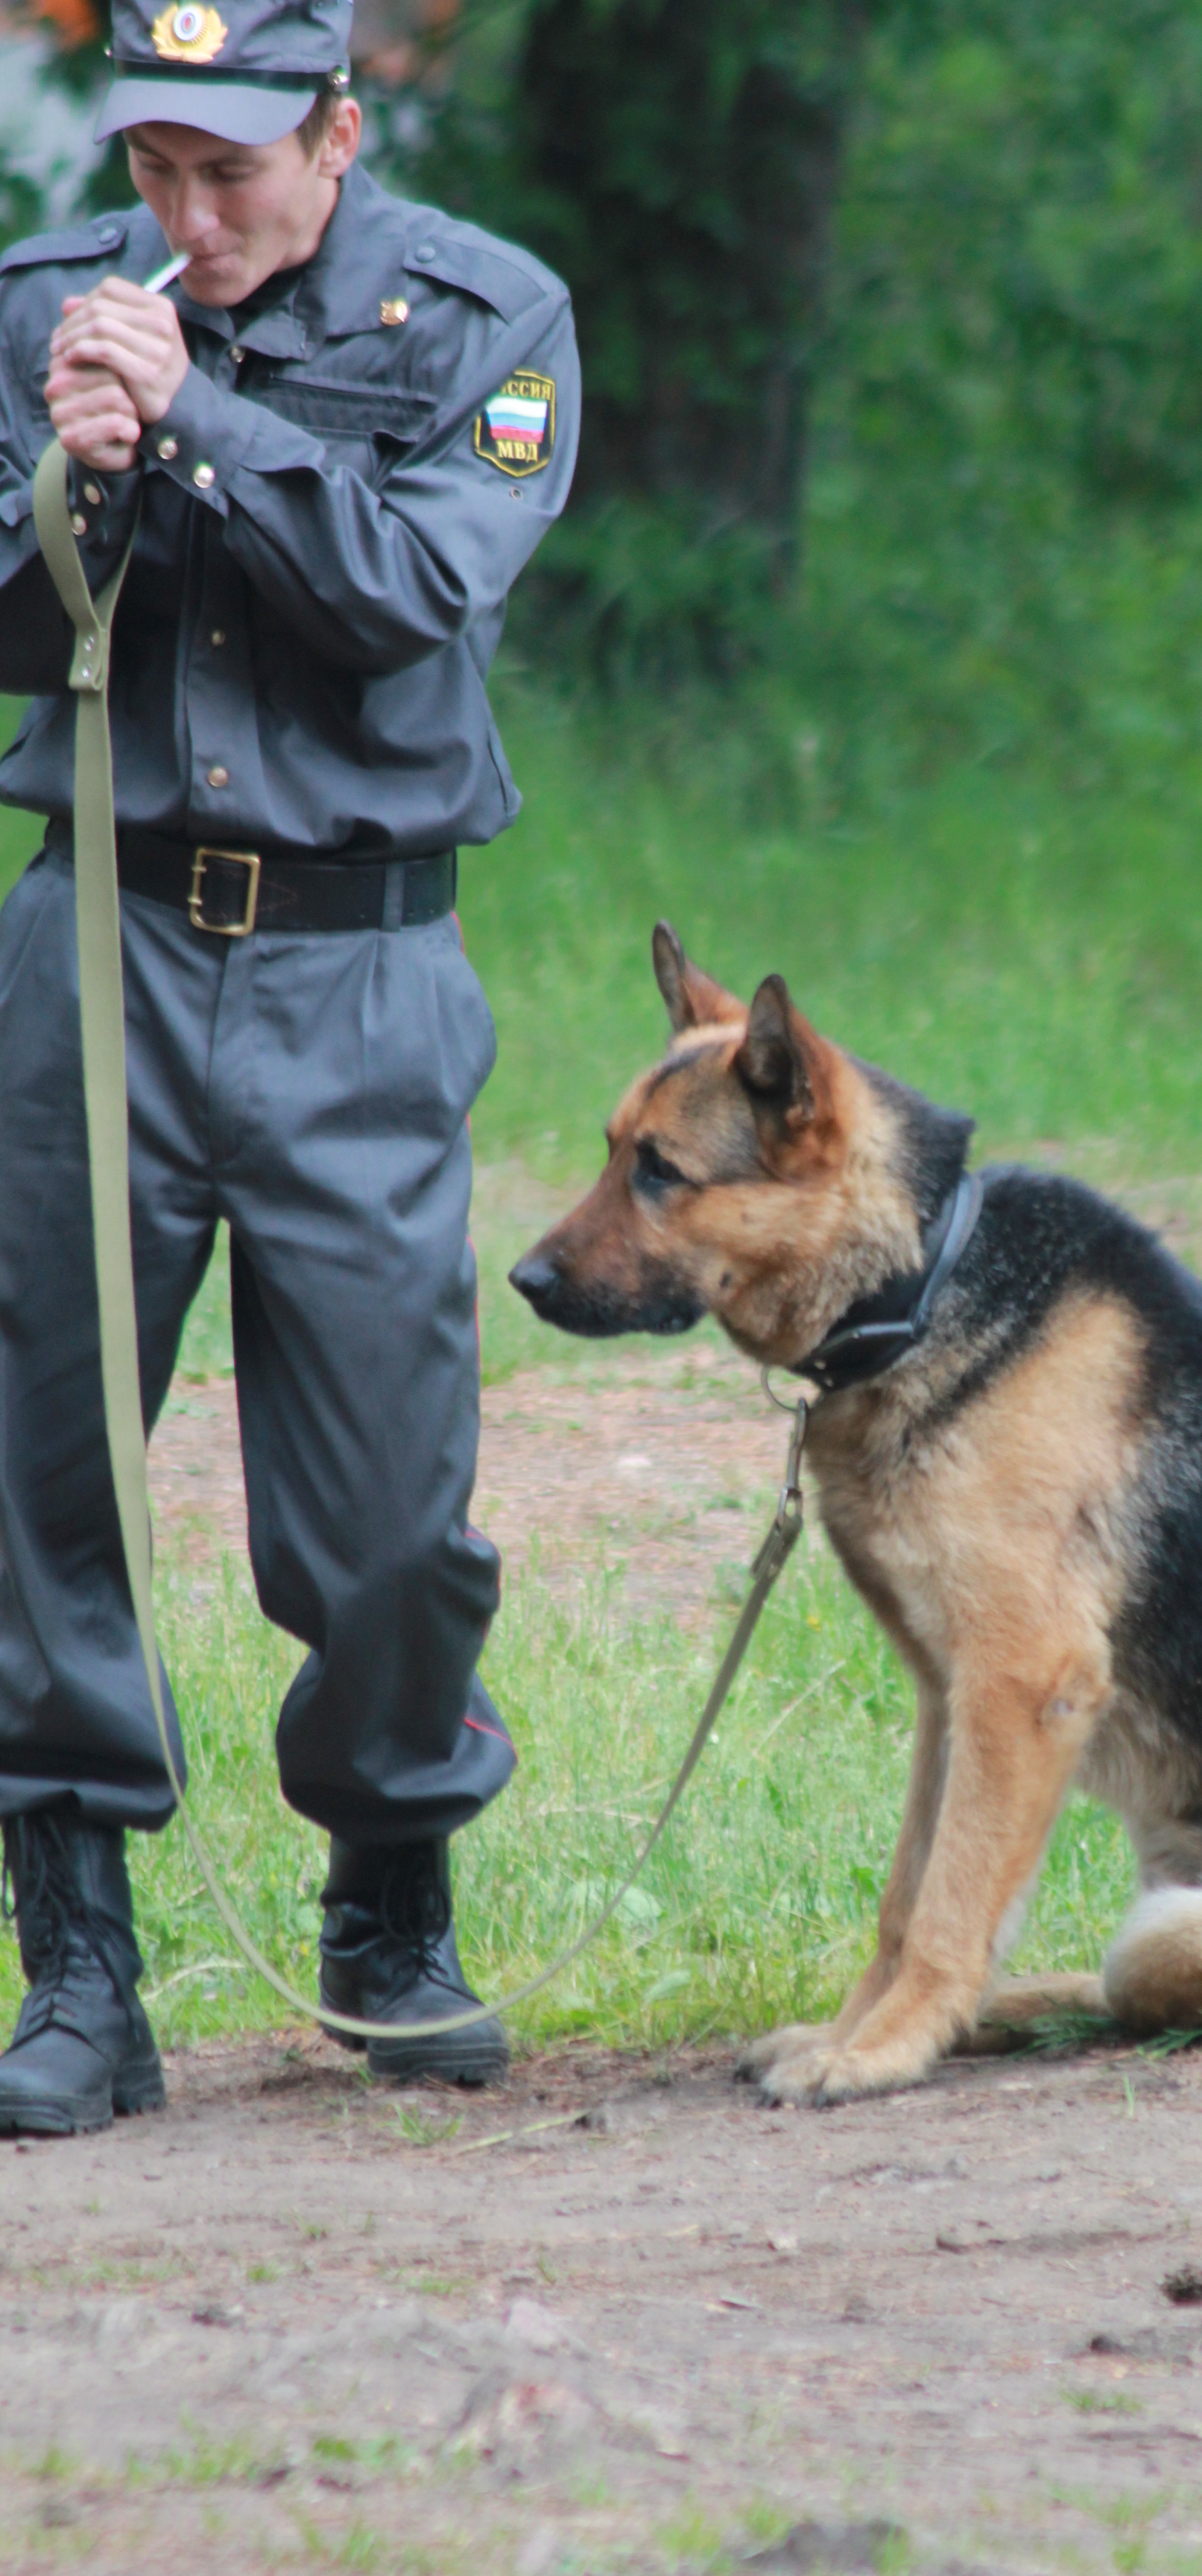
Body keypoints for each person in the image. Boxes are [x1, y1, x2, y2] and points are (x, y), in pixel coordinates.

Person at [0, 0, 579, 2133]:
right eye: (155, 169)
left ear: (338, 134)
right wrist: (72, 476)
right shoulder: (46, 307)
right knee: (40, 1471)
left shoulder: (490, 322)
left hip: (359, 967)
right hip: (96, 951)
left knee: (393, 1507)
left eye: (231, 171)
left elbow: (416, 589)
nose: (189, 216)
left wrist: (203, 431)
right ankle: (78, 1969)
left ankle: (388, 1907)